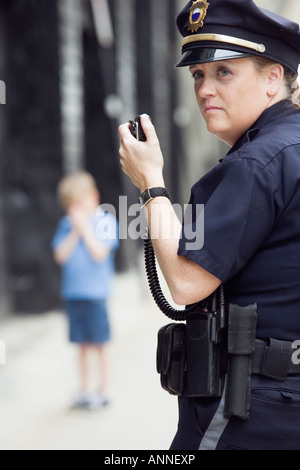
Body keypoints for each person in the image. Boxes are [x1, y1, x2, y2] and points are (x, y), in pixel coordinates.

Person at [118, 0, 300, 451]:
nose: (204, 90)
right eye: (199, 75)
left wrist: (151, 184)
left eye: (224, 73)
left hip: (248, 410)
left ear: (273, 78)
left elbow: (183, 283)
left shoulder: (257, 164)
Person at [51, 171, 119, 410]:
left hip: (97, 295)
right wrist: (75, 230)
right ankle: (84, 389)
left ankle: (102, 390)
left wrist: (85, 227)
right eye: (73, 207)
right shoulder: (65, 226)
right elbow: (60, 255)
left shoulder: (106, 222)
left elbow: (99, 253)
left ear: (94, 197)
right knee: (81, 345)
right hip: (73, 294)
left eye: (82, 204)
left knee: (99, 344)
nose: (78, 211)